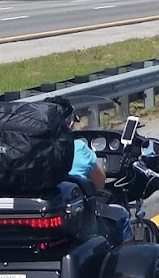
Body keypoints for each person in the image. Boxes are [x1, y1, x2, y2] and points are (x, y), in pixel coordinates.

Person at [45, 96, 133, 242]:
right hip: (76, 215)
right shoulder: (78, 148)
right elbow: (100, 183)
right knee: (121, 215)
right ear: (71, 124)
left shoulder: (32, 151)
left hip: (45, 210)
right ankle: (126, 260)